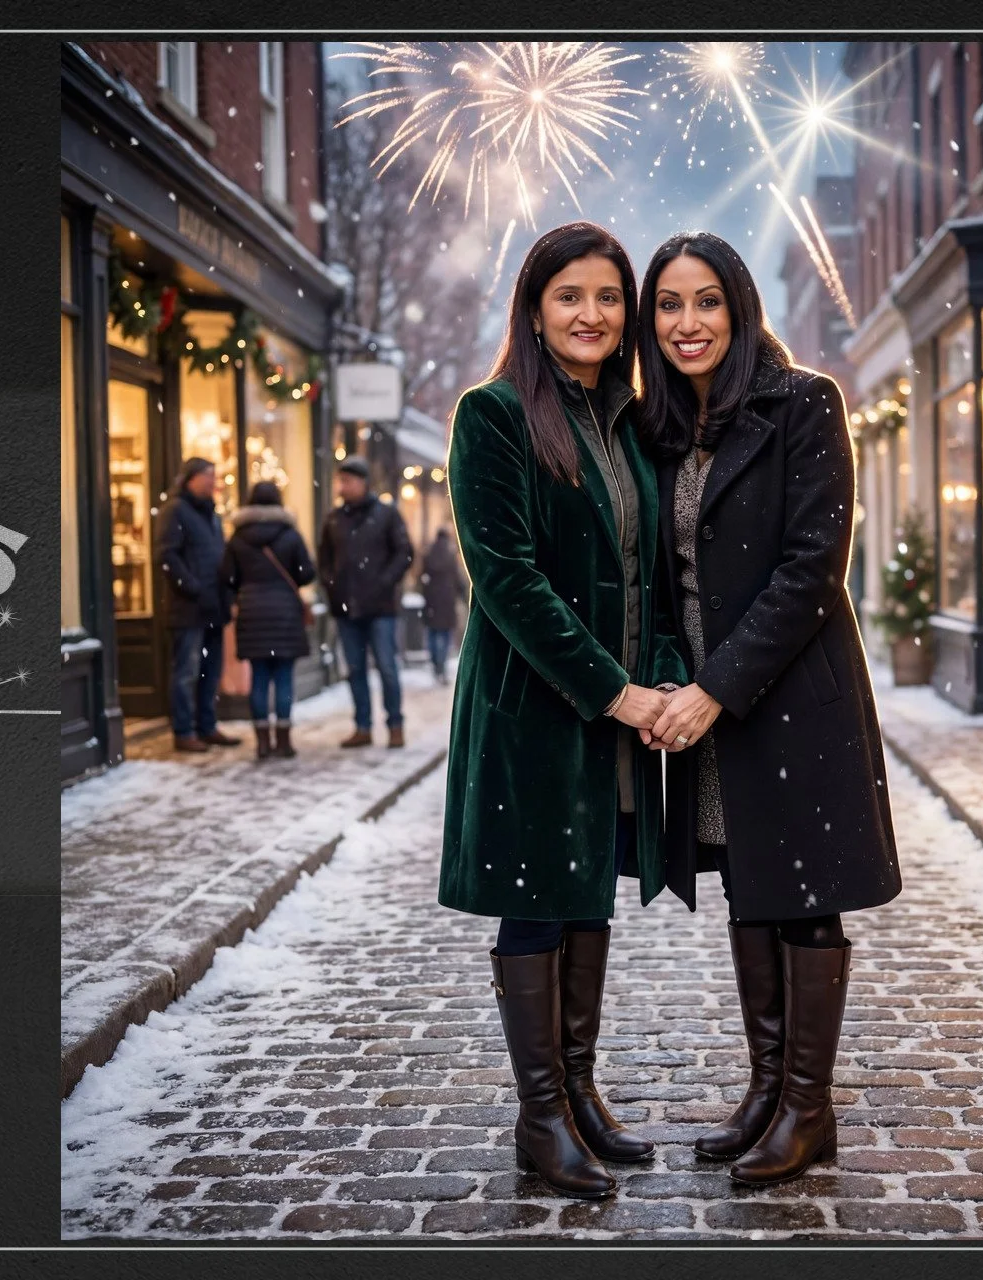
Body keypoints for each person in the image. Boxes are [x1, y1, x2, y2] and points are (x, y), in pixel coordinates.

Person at [633, 230, 903, 1186]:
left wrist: (716, 686)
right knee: (752, 883)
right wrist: (673, 681)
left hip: (788, 695)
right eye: (668, 304)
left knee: (803, 894)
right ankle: (766, 1088)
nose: (688, 322)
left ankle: (808, 1107)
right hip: (709, 704)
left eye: (706, 301)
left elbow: (810, 569)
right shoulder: (661, 425)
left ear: (741, 309)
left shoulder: (804, 404)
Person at [438, 222, 690, 1200]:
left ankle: (580, 1096)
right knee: (537, 901)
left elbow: (653, 573)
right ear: (536, 311)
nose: (592, 314)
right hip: (533, 715)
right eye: (569, 296)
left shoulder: (629, 423)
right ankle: (540, 1118)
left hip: (615, 716)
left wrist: (663, 673)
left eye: (608, 296)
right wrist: (614, 688)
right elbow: (508, 578)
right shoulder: (493, 415)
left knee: (586, 888)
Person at [317, 456, 413, 748]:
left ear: (363, 482)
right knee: (355, 670)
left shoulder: (386, 514)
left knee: (386, 667)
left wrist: (384, 583)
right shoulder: (334, 518)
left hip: (381, 608)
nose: (342, 486)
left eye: (347, 480)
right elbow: (323, 559)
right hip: (346, 609)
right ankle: (363, 727)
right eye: (340, 480)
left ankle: (395, 725)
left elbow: (404, 553)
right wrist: (332, 585)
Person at [221, 480, 316, 760]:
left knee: (259, 679)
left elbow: (227, 577)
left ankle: (262, 742)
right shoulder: (290, 534)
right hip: (285, 613)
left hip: (252, 613)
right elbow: (307, 573)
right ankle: (284, 741)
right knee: (284, 678)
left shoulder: (238, 538)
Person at [157, 458, 240, 754]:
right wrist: (192, 587)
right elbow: (167, 557)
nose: (212, 482)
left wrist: (226, 592)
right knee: (186, 671)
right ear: (189, 478)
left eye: (214, 476)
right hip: (187, 609)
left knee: (210, 671)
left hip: (213, 606)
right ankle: (184, 730)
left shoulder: (211, 514)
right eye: (207, 476)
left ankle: (207, 725)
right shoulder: (175, 510)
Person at [419, 526, 466, 684]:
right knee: (445, 636)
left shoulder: (428, 553)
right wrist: (463, 594)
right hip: (447, 600)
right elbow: (458, 577)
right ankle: (442, 665)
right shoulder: (451, 554)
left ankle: (435, 663)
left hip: (431, 601)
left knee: (432, 633)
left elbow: (422, 578)